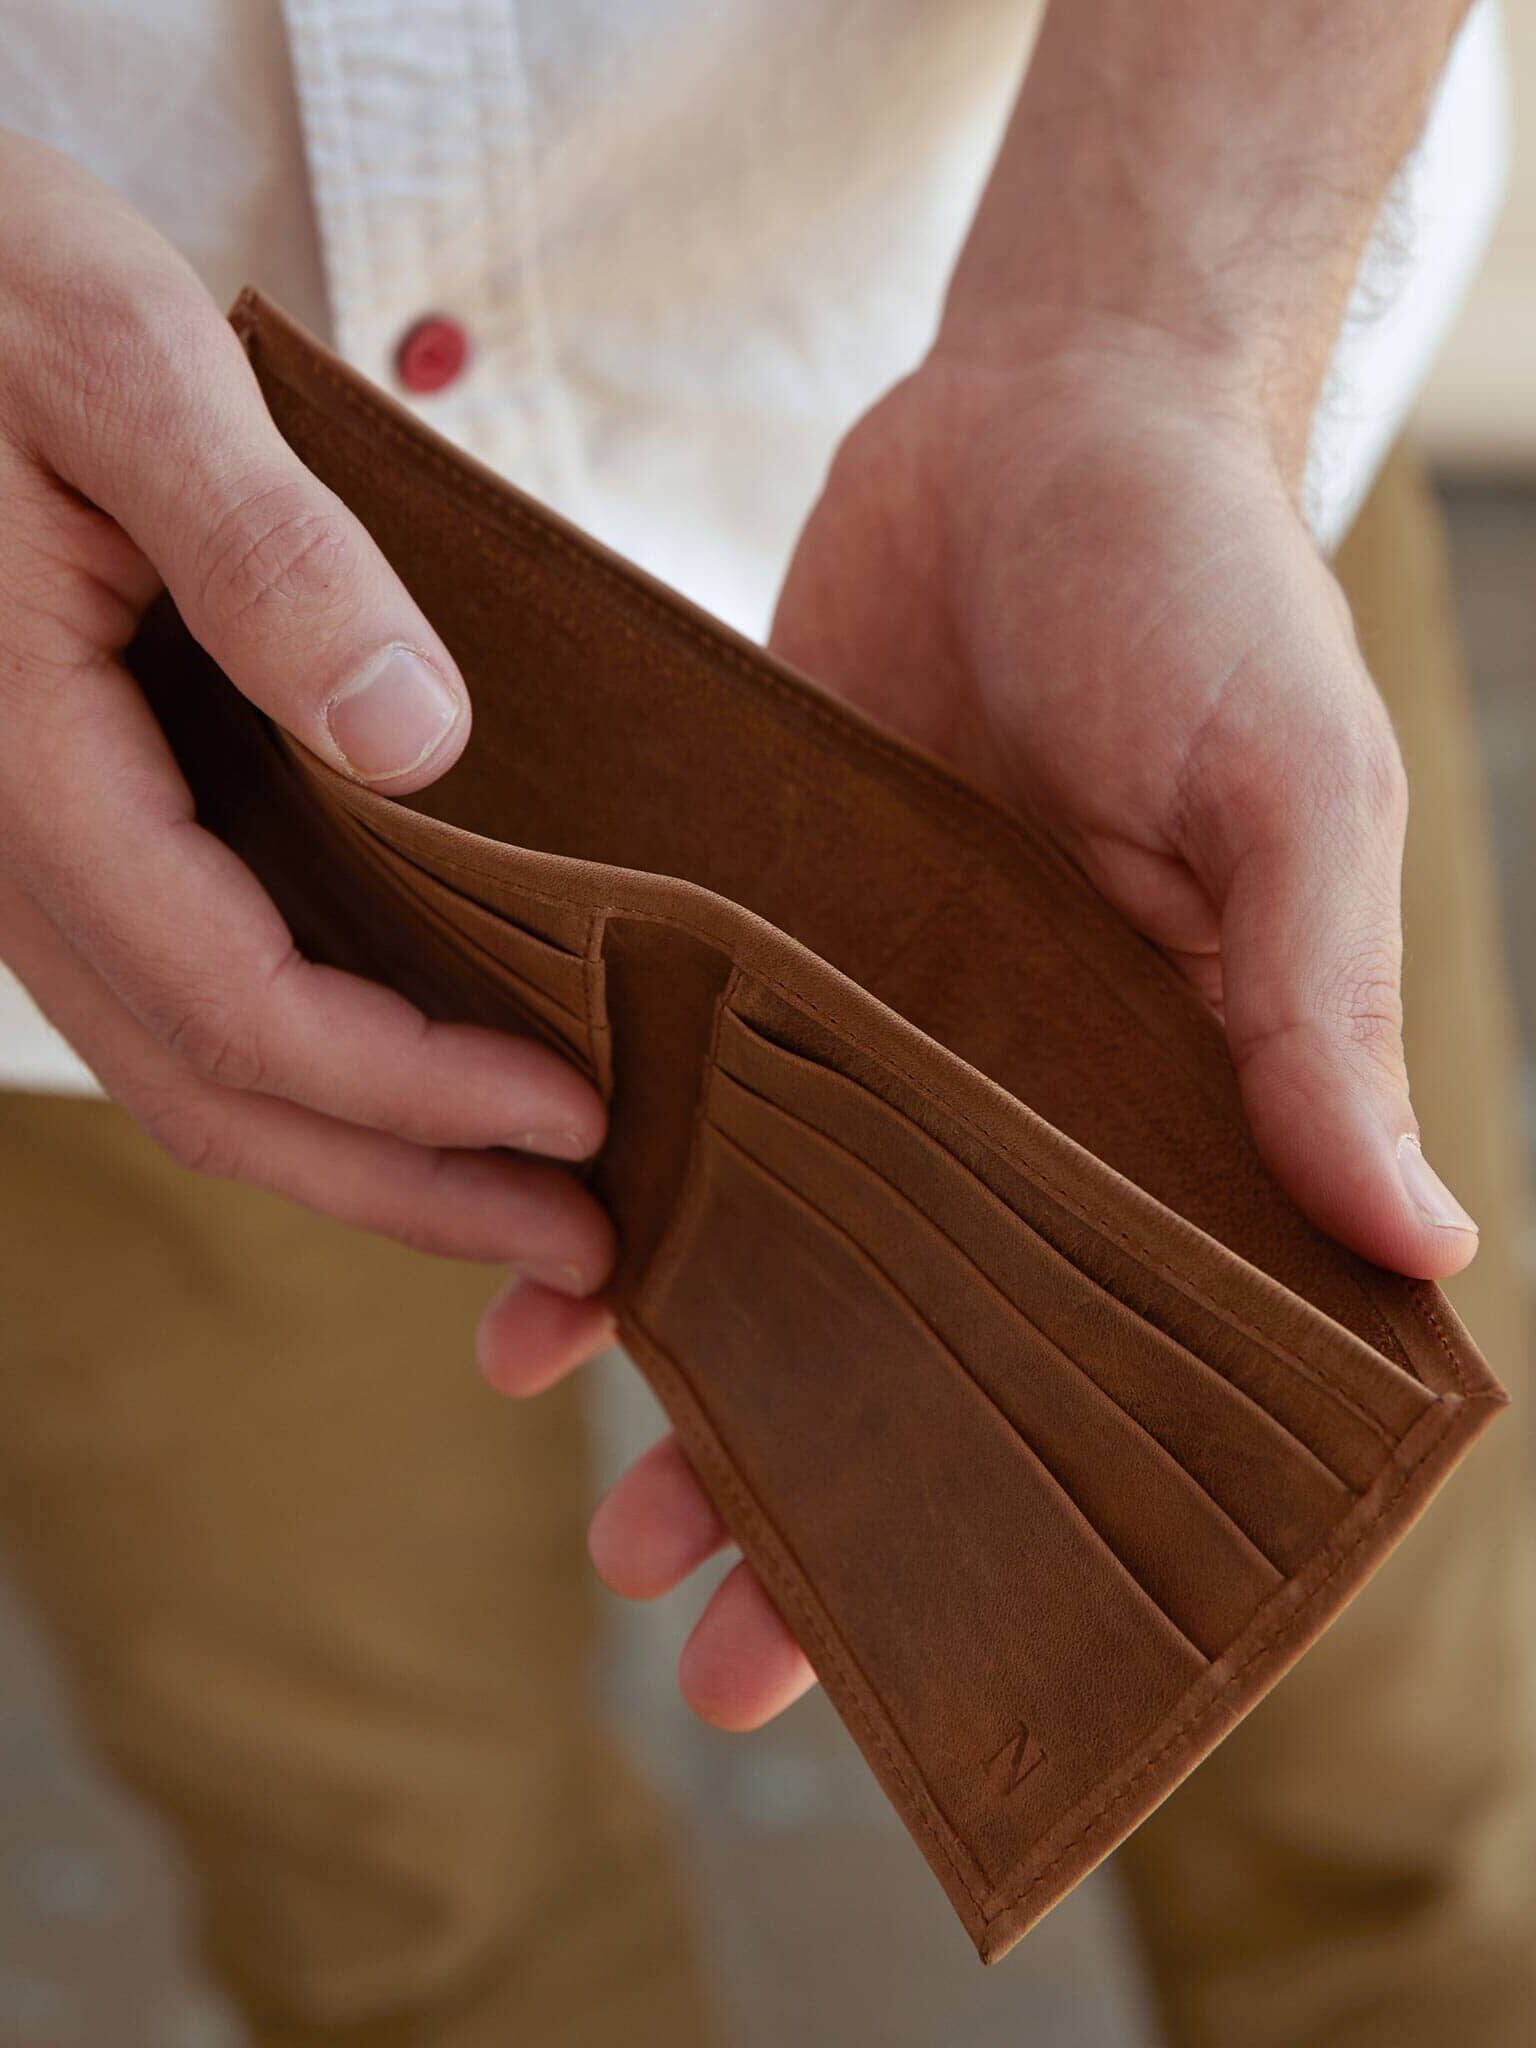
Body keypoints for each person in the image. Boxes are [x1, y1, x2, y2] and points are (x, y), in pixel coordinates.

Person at [0, 2, 1530, 2043]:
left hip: (1119, 551)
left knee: (1383, 1762)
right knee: (403, 1885)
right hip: (86, 766)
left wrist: (1148, 340)